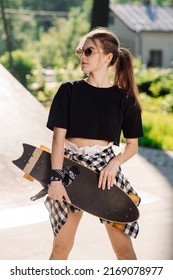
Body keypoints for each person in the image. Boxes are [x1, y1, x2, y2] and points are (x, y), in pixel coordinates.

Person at [45, 27, 143, 260]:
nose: (82, 56)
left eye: (89, 51)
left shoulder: (125, 99)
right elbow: (58, 138)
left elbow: (132, 145)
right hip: (69, 170)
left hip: (106, 173)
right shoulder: (69, 91)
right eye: (81, 51)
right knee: (61, 248)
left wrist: (114, 164)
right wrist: (56, 178)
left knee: (123, 250)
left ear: (108, 58)